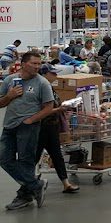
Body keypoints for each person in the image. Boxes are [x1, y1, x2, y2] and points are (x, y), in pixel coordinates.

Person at [0, 51, 53, 210]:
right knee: (3, 158)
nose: (37, 67)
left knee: (26, 161)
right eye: (34, 63)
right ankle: (36, 185)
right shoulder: (9, 80)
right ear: (23, 64)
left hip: (29, 127)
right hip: (9, 125)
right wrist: (9, 96)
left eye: (39, 64)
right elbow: (1, 103)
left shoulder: (42, 83)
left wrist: (30, 120)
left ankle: (25, 196)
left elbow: (48, 107)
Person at [35, 65, 78, 194]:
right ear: (45, 74)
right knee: (35, 156)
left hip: (52, 126)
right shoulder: (40, 88)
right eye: (53, 73)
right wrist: (59, 109)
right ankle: (27, 184)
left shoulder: (50, 87)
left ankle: (66, 183)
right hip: (41, 127)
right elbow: (42, 110)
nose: (56, 76)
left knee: (57, 155)